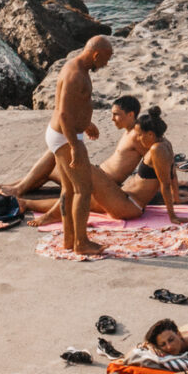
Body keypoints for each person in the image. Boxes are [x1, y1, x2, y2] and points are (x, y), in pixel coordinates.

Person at [0, 95, 143, 213]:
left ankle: (16, 190)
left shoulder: (138, 135)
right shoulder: (129, 131)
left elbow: (154, 156)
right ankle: (8, 187)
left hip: (103, 182)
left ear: (131, 115)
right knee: (51, 167)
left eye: (116, 115)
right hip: (97, 173)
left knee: (55, 155)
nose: (112, 119)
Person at [47, 36, 114, 257]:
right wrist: (75, 145)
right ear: (96, 54)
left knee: (69, 189)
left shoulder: (75, 66)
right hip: (67, 138)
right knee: (83, 190)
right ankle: (81, 242)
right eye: (105, 59)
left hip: (63, 134)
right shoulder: (76, 75)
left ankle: (69, 239)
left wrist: (87, 123)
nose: (106, 64)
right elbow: (64, 113)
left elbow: (76, 105)